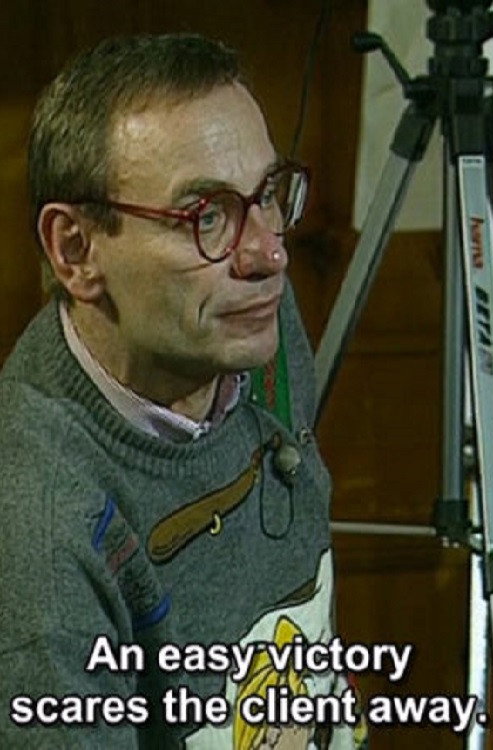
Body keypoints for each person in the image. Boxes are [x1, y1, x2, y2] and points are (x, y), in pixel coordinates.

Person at [0, 33, 365, 749]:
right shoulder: (40, 534)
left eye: (268, 195)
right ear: (76, 250)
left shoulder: (238, 316)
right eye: (206, 216)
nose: (269, 253)